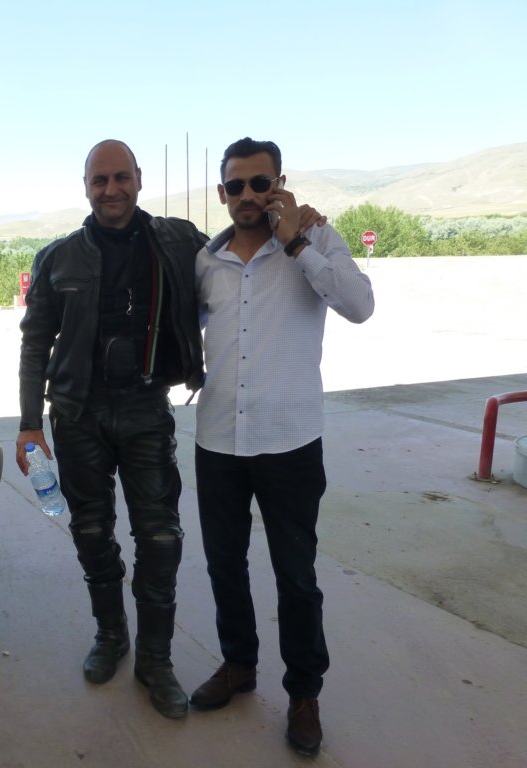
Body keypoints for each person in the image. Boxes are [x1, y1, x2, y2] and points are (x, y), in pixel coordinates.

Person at [189, 137, 375, 756]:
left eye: (259, 182)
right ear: (223, 193)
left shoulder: (315, 238)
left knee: (296, 576)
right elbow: (184, 333)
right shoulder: (205, 261)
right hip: (218, 440)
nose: (247, 195)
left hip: (290, 441)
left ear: (280, 184)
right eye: (236, 185)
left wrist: (298, 243)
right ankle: (239, 665)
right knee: (224, 565)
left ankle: (303, 694)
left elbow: (360, 306)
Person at [16, 139, 207, 719]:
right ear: (86, 187)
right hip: (77, 415)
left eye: (121, 177)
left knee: (161, 538)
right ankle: (111, 635)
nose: (111, 189)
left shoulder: (178, 241)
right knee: (92, 532)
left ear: (139, 179)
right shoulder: (58, 258)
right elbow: (34, 343)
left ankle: (155, 659)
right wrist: (29, 425)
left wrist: (292, 228)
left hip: (146, 407)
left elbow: (240, 264)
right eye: (100, 180)